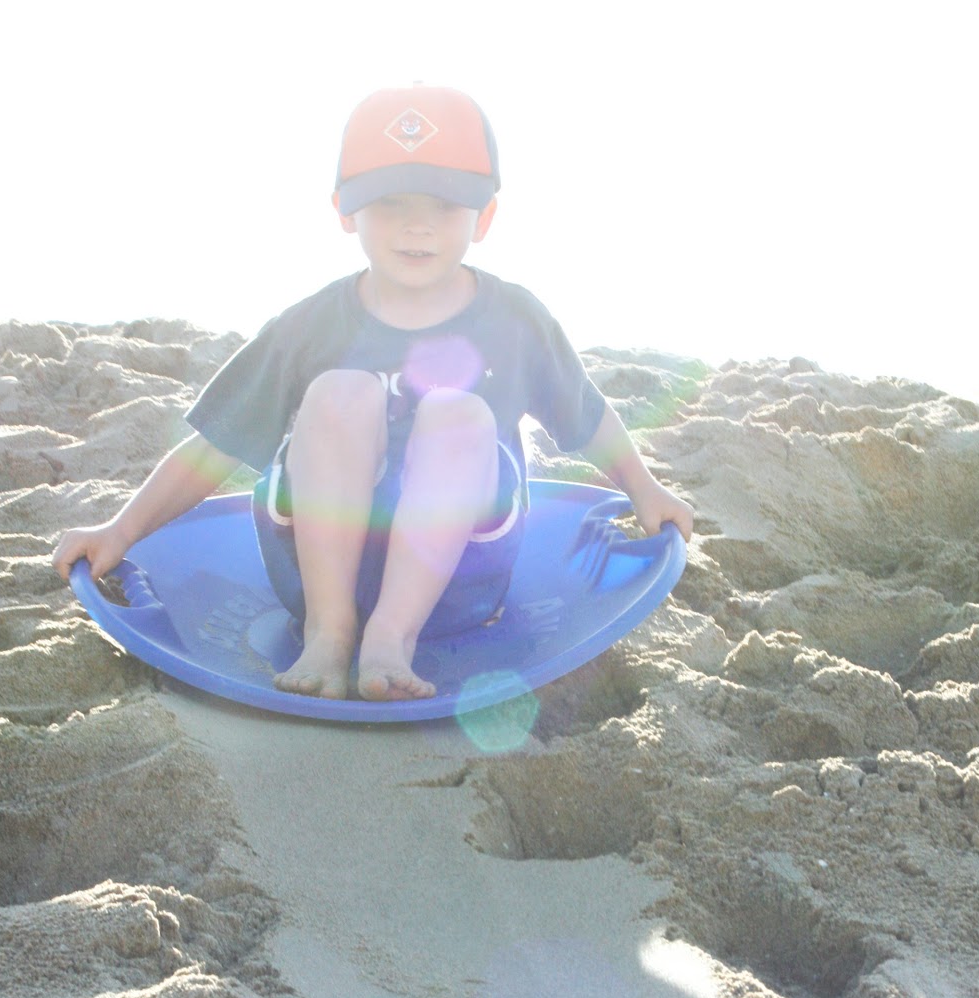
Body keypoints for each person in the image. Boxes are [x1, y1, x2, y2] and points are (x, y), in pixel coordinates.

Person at [53, 85, 693, 701]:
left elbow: (586, 418)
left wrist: (645, 489)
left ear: (486, 216)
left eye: (444, 205)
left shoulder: (516, 321)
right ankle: (331, 635)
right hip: (314, 580)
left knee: (458, 414)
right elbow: (215, 446)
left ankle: (391, 636)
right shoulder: (310, 326)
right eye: (390, 203)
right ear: (345, 209)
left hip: (459, 586)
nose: (417, 226)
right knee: (339, 393)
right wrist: (121, 530)